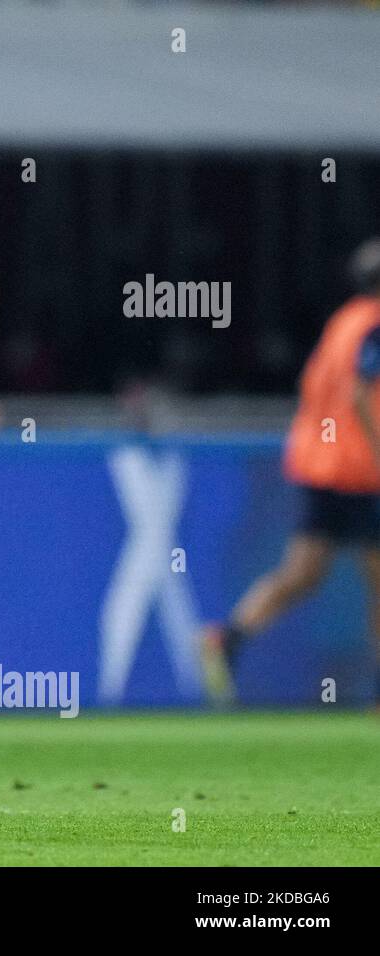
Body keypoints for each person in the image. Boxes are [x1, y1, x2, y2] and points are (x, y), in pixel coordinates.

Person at [203, 238, 380, 705]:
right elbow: (361, 393)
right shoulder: (373, 326)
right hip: (360, 470)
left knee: (303, 573)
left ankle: (229, 638)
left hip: (322, 466)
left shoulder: (342, 324)